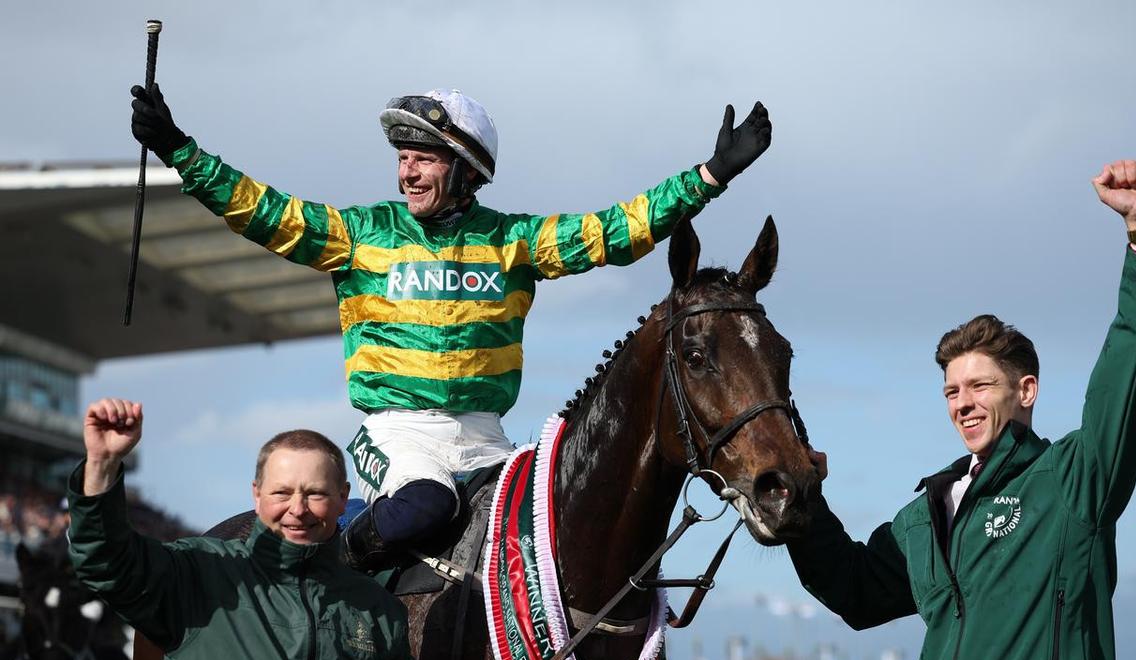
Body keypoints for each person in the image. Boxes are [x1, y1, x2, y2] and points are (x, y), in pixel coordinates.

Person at [130, 83, 772, 572]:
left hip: (488, 441)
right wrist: (180, 151)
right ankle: (324, 579)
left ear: (466, 171)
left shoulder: (514, 241)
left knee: (562, 532)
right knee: (429, 505)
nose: (407, 173)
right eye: (403, 158)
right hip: (397, 436)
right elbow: (263, 211)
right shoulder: (360, 233)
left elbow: (614, 230)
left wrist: (710, 177)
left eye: (423, 160)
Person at [786, 159, 1136, 660]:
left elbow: (1129, 385)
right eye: (951, 391)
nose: (962, 403)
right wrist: (801, 497)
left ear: (1026, 390)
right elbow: (855, 589)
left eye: (979, 386)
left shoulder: (1073, 481)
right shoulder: (926, 515)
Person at [67, 398, 419, 660]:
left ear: (343, 498)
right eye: (282, 493)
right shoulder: (196, 574)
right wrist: (102, 465)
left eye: (315, 494)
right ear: (257, 495)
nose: (298, 509)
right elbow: (106, 562)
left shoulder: (380, 609)